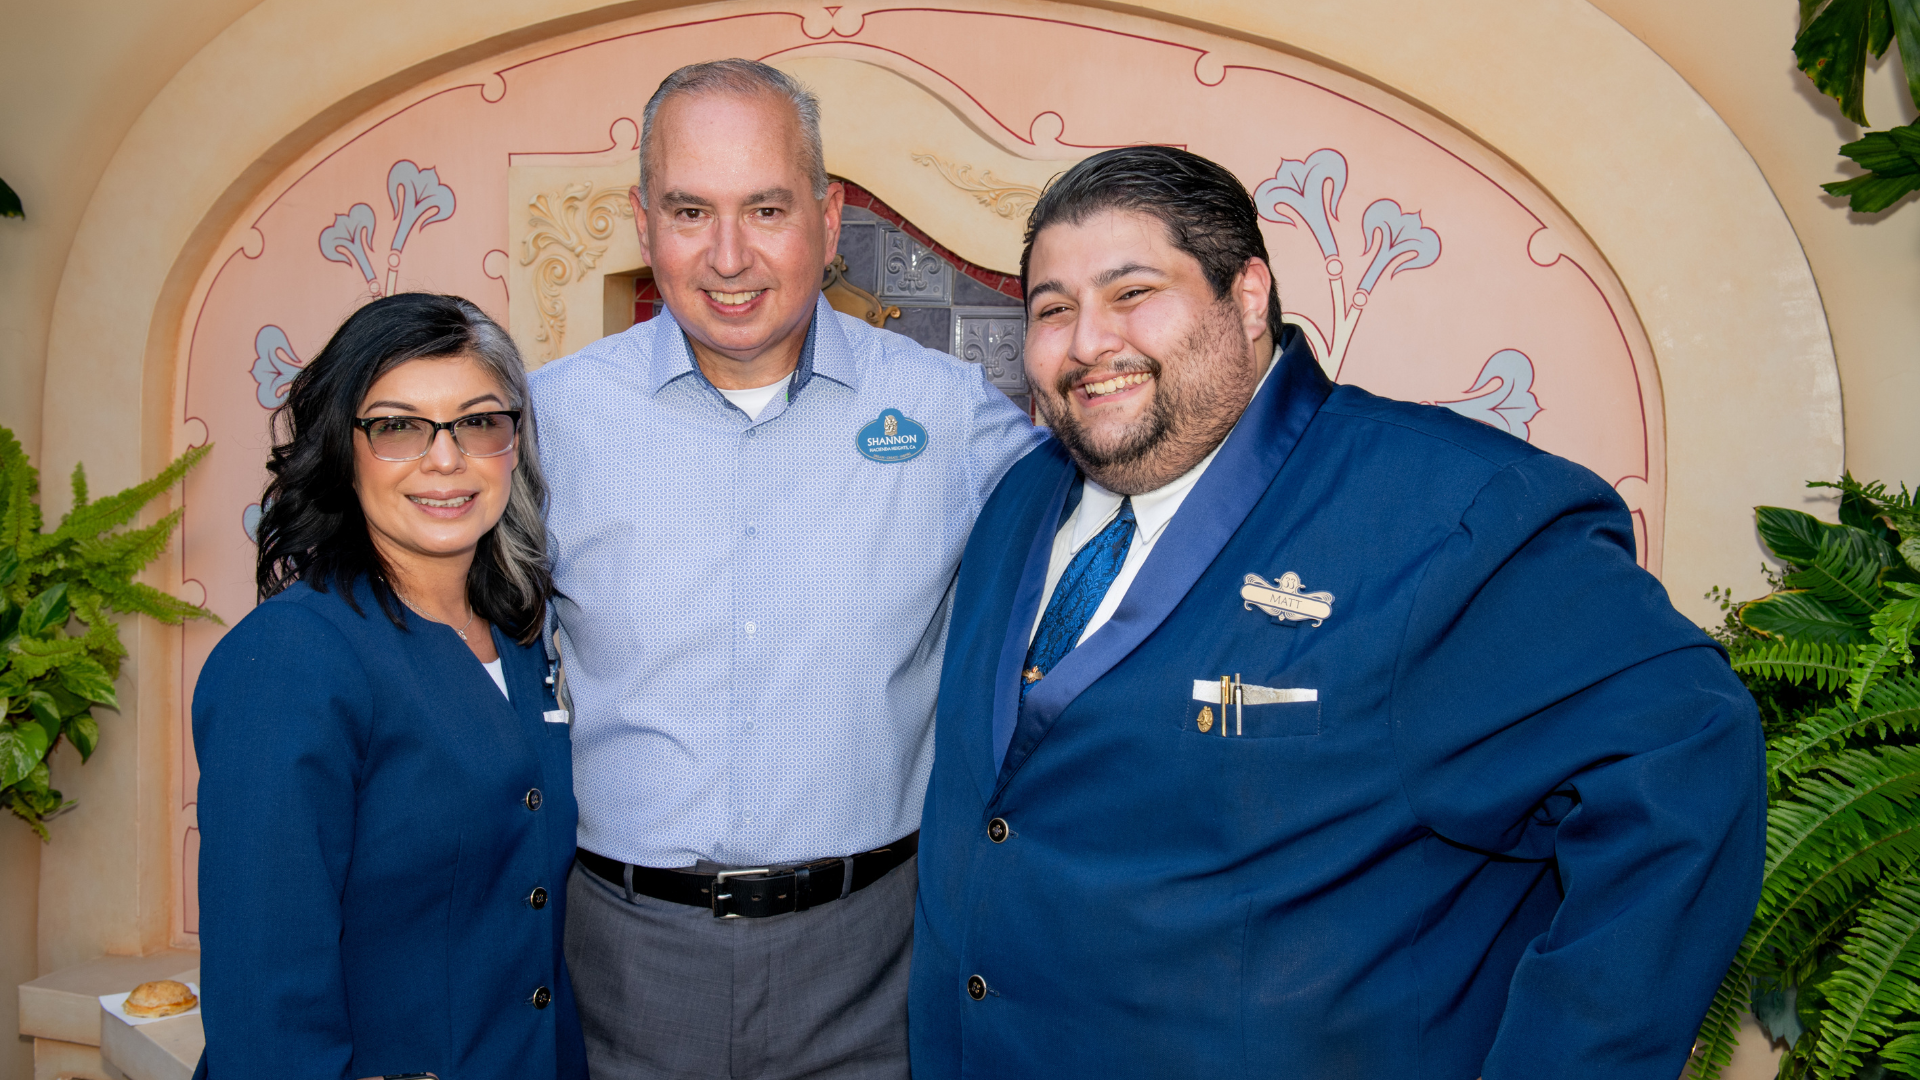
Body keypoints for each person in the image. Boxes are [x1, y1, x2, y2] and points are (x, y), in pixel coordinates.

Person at [909, 146, 1766, 1078]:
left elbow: (1687, 758)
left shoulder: (1454, 517)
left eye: (1131, 293)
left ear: (1246, 297)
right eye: (1052, 310)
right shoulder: (1017, 503)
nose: (1085, 343)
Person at [526, 59, 1045, 1079]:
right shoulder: (547, 421)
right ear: (643, 221)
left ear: (827, 210)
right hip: (625, 957)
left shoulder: (953, 416)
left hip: (875, 958)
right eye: (689, 211)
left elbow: (1119, 557)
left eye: (766, 207)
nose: (728, 255)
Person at [192, 293, 587, 1080]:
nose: (446, 459)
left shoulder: (524, 637)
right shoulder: (290, 662)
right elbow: (265, 994)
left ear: (514, 443)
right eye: (399, 426)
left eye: (479, 422)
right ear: (344, 447)